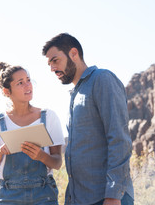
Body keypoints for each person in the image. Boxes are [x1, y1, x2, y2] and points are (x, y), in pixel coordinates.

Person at [42, 33, 134, 205]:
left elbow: (119, 139)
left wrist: (113, 196)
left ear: (74, 54)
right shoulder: (75, 94)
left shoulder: (102, 79)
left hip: (107, 197)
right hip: (81, 199)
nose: (52, 69)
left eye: (55, 60)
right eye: (49, 64)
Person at [0, 62, 65, 205]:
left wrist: (41, 156)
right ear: (6, 91)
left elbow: (57, 163)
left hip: (44, 195)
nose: (28, 85)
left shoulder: (49, 117)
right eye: (20, 83)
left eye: (28, 80)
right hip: (7, 196)